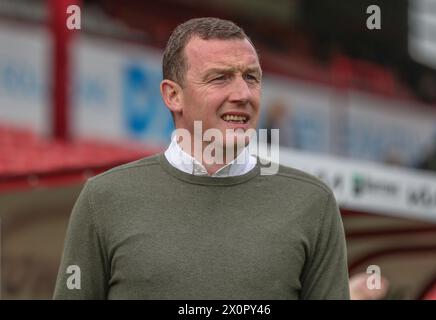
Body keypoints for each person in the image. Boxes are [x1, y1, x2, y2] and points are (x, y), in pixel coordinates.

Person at [53, 17, 349, 299]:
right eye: (220, 78)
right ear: (173, 95)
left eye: (251, 77)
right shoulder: (103, 199)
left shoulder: (314, 203)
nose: (243, 93)